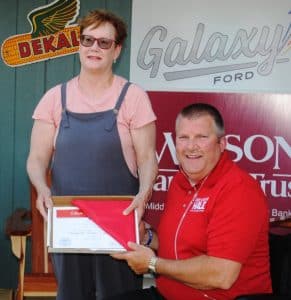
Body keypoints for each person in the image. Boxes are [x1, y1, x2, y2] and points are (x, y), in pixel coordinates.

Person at [26, 9, 158, 300]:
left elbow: (148, 158)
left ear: (117, 50)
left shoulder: (133, 97)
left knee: (120, 295)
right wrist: (42, 188)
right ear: (79, 46)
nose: (94, 48)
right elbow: (36, 159)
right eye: (88, 40)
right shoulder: (54, 98)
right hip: (70, 225)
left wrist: (144, 193)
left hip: (119, 225)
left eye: (104, 42)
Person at [110, 103, 272, 300]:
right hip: (168, 293)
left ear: (222, 144)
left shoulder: (239, 190)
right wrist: (147, 238)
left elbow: (221, 274)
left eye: (202, 137)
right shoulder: (180, 181)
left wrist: (152, 264)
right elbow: (180, 246)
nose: (191, 146)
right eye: (183, 137)